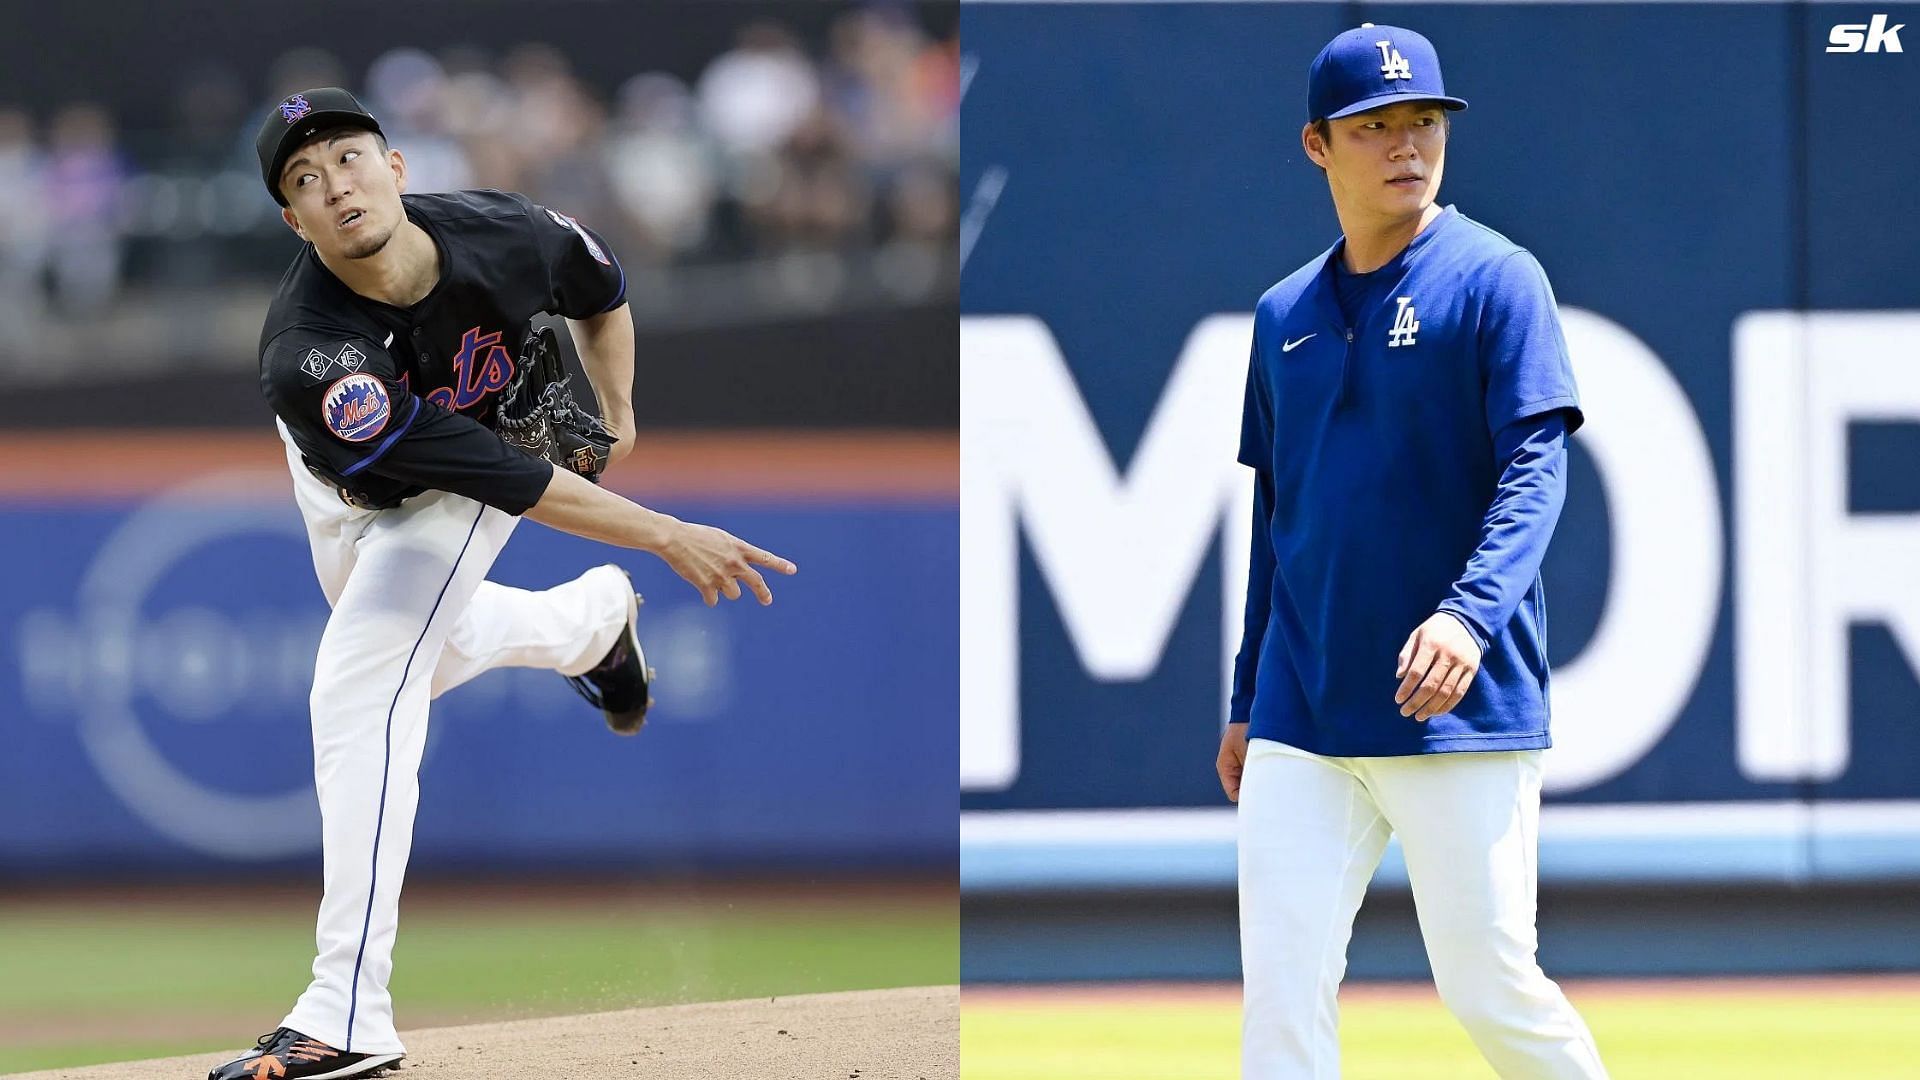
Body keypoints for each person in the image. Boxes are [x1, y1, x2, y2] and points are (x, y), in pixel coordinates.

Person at [208, 88, 795, 1080]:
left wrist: (619, 408)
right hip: (349, 484)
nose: (334, 184)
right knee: (425, 658)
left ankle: (345, 1008)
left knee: (362, 680)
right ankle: (591, 623)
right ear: (293, 222)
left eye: (348, 157)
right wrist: (664, 535)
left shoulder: (509, 231)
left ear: (396, 167)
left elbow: (600, 288)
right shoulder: (310, 357)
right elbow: (512, 490)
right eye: (304, 179)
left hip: (499, 427)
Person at [1216, 26, 1609, 1079]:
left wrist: (1467, 615)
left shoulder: (1496, 278)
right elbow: (1277, 517)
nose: (1407, 144)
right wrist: (1251, 694)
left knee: (1488, 987)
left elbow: (1539, 470)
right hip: (1306, 707)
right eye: (1376, 126)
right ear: (1317, 145)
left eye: (1424, 121)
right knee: (1281, 1000)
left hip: (1455, 706)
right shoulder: (1281, 315)